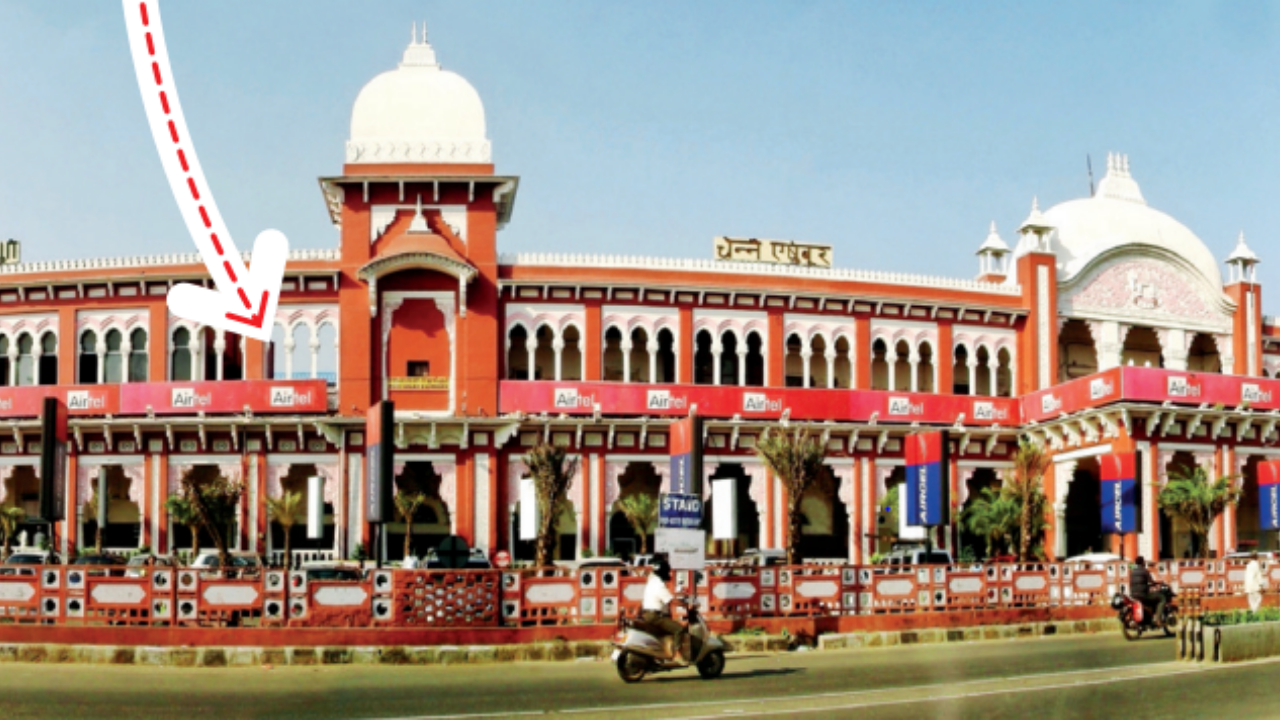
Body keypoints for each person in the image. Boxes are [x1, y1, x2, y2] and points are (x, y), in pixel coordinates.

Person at [641, 557, 688, 662]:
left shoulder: (652, 581)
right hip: (655, 617)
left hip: (649, 614)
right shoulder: (659, 584)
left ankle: (664, 653)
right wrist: (686, 605)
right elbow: (671, 600)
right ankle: (677, 655)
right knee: (679, 629)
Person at [1129, 556, 1165, 623]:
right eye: (1144, 561)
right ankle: (1157, 618)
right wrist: (1158, 583)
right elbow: (1151, 582)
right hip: (1143, 595)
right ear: (1142, 562)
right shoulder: (1145, 571)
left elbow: (1133, 583)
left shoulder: (1133, 572)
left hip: (1133, 595)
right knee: (1162, 598)